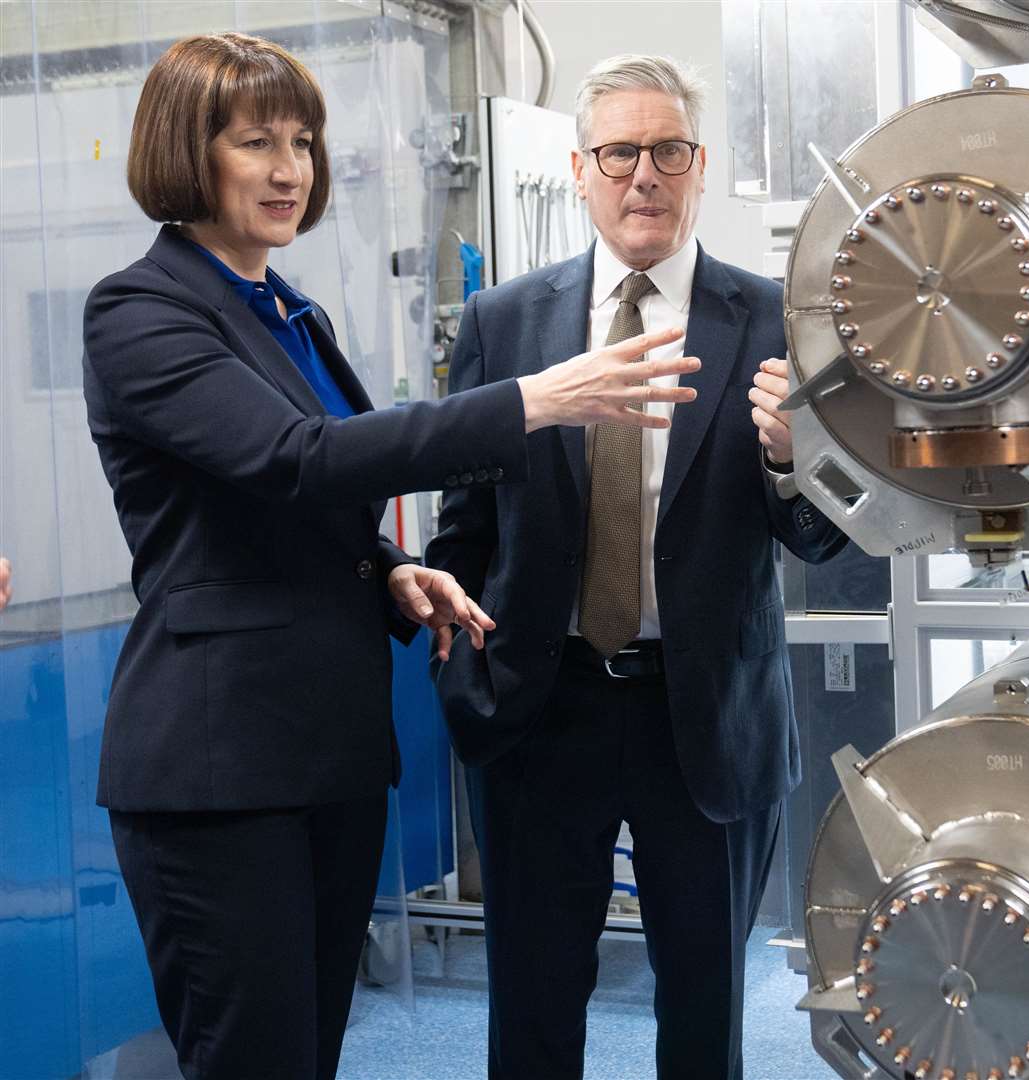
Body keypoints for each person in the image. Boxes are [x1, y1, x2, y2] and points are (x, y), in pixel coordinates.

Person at [82, 33, 701, 1080]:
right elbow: (295, 458)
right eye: (254, 143)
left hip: (324, 754)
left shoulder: (286, 315)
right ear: (189, 154)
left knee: (308, 1052)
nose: (290, 170)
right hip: (216, 766)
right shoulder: (139, 311)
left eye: (303, 142)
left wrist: (387, 570)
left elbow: (290, 506)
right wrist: (531, 401)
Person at [426, 53, 848, 1079]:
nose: (643, 176)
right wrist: (464, 675)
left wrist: (799, 462)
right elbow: (463, 525)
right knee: (531, 1008)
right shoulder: (505, 322)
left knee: (705, 1015)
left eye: (667, 151)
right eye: (620, 153)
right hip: (541, 711)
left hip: (703, 721)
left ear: (698, 167)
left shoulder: (773, 318)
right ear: (580, 170)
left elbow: (821, 537)